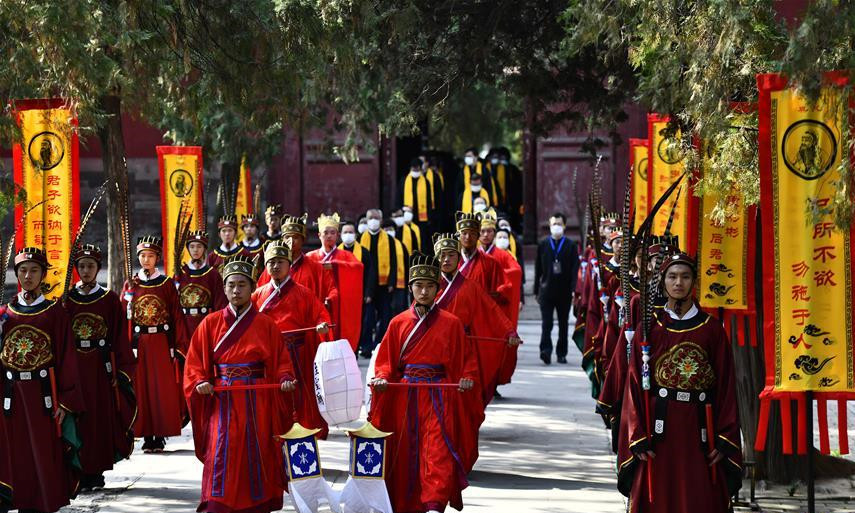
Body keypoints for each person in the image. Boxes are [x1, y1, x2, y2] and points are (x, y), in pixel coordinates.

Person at [618, 253, 742, 513]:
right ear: (663, 282)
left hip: (700, 431)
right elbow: (634, 385)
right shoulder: (650, 328)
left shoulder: (712, 329)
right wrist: (637, 434)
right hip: (659, 431)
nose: (678, 283)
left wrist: (724, 438)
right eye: (672, 276)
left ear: (694, 281)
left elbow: (726, 387)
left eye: (685, 276)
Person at [184, 254, 295, 513]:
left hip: (256, 399)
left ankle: (256, 503)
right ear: (223, 288)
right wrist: (201, 381)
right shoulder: (210, 323)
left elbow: (281, 363)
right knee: (223, 450)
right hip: (222, 400)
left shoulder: (266, 325)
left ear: (253, 287)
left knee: (256, 450)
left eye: (242, 285)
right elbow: (194, 365)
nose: (236, 290)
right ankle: (218, 503)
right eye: (231, 284)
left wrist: (285, 379)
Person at [370, 253, 475, 513]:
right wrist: (382, 379)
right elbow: (385, 362)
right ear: (410, 288)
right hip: (405, 395)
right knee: (405, 452)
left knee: (437, 451)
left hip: (439, 395)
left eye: (430, 286)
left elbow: (466, 361)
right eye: (419, 286)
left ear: (438, 289)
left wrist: (467, 379)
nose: (424, 291)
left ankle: (434, 503)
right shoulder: (397, 323)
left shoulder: (452, 324)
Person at [0, 248, 84, 512]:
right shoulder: (5, 314)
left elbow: (67, 359)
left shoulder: (55, 313)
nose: (28, 276)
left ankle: (43, 501)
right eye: (23, 271)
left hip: (43, 396)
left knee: (43, 451)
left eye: (34, 270)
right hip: (12, 396)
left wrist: (66, 401)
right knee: (16, 452)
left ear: (43, 275)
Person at [65, 244, 136, 492]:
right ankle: (80, 469)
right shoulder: (67, 300)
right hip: (74, 368)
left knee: (98, 418)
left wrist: (121, 372)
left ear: (98, 269)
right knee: (78, 417)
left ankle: (96, 471)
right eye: (81, 266)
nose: (85, 271)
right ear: (76, 269)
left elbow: (119, 338)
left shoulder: (109, 299)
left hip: (100, 368)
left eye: (90, 266)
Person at [251, 240, 332, 439]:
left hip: (298, 351)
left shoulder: (303, 293)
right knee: (273, 395)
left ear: (289, 264)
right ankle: (274, 429)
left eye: (280, 261)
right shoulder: (258, 294)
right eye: (271, 262)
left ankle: (306, 430)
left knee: (301, 394)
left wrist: (322, 325)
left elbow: (319, 313)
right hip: (270, 354)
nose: (276, 266)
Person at [434, 232, 520, 407]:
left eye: (451, 255)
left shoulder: (470, 287)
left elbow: (492, 310)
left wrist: (509, 332)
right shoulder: (428, 285)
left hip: (464, 345)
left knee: (467, 394)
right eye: (442, 255)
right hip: (435, 345)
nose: (446, 260)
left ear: (458, 258)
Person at [122, 235, 189, 453]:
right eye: (142, 256)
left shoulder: (166, 284)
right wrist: (128, 299)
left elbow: (176, 315)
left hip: (161, 342)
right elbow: (125, 314)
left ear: (157, 258)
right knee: (142, 387)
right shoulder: (132, 283)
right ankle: (145, 433)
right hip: (140, 343)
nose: (146, 260)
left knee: (160, 388)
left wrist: (178, 346)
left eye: (150, 256)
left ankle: (159, 434)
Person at [307, 213, 365, 351]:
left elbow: (358, 269)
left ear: (337, 235)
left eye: (332, 233)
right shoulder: (310, 257)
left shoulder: (346, 256)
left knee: (340, 339)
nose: (329, 236)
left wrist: (336, 266)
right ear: (319, 235)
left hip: (340, 306)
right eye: (325, 233)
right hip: (318, 303)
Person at [258, 214, 336, 308]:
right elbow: (260, 292)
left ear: (303, 240)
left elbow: (331, 289)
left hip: (305, 317)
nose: (291, 241)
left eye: (295, 237)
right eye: (287, 237)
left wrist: (330, 300)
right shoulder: (273, 266)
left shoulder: (315, 267)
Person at [534, 213, 580, 365]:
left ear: (564, 226)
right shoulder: (543, 244)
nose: (556, 227)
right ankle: (545, 351)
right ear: (549, 224)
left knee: (563, 324)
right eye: (554, 224)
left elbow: (575, 270)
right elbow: (538, 269)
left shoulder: (571, 245)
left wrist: (574, 289)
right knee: (546, 323)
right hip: (546, 290)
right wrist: (536, 290)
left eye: (559, 224)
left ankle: (561, 353)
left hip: (564, 291)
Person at [358, 209, 405, 357]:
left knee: (385, 317)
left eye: (376, 218)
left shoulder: (389, 239)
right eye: (370, 218)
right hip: (367, 286)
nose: (373, 220)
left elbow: (393, 261)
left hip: (384, 285)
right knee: (368, 318)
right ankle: (365, 346)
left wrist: (392, 282)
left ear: (381, 219)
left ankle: (379, 344)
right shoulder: (360, 239)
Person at [176, 230, 228, 336]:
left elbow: (220, 304)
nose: (195, 250)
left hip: (206, 324)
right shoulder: (180, 273)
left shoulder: (213, 274)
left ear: (204, 248)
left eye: (199, 246)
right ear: (188, 249)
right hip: (185, 325)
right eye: (192, 246)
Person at [455, 211, 509, 308]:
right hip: (458, 311)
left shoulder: (491, 262)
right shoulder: (451, 262)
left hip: (481, 312)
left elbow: (503, 289)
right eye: (464, 233)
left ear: (477, 236)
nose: (468, 237)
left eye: (472, 233)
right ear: (458, 236)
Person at [398, 158, 438, 242]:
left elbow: (429, 200)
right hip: (408, 214)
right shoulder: (404, 180)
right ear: (410, 168)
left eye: (417, 169)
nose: (415, 171)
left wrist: (430, 216)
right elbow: (399, 196)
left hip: (422, 217)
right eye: (413, 169)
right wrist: (401, 209)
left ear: (420, 168)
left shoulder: (425, 181)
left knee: (422, 237)